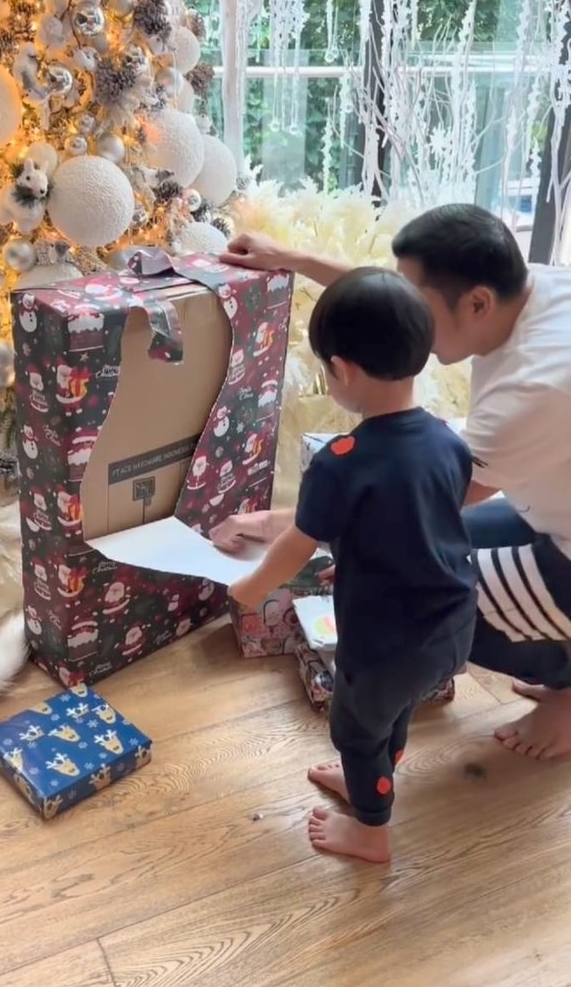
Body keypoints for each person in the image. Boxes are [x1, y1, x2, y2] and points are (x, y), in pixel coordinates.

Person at [212, 204, 571, 761]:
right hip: (545, 505)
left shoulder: (534, 389)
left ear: (477, 302)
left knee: (427, 611)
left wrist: (270, 524)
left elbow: (408, 503)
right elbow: (389, 303)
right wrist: (290, 258)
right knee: (422, 552)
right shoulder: (534, 286)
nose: (406, 317)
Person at [228, 267, 476, 862]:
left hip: (387, 639)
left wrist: (249, 587)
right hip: (452, 622)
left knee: (355, 727)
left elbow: (295, 545)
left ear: (341, 370)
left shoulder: (343, 461)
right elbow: (434, 511)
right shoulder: (448, 440)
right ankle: (376, 775)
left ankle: (371, 829)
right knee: (392, 714)